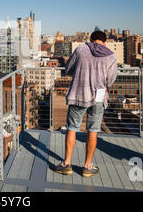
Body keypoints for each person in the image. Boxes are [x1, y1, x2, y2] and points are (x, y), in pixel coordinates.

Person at [53, 30, 117, 177]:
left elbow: (68, 69)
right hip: (99, 97)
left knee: (72, 128)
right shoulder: (111, 56)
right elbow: (110, 80)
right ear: (104, 41)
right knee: (93, 130)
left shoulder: (81, 49)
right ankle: (87, 167)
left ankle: (66, 164)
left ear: (91, 39)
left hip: (79, 94)